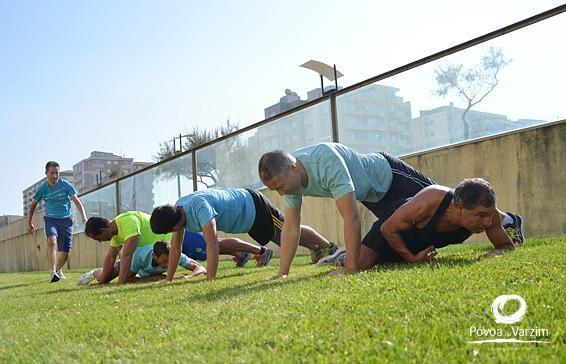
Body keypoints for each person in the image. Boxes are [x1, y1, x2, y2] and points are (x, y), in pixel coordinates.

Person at [258, 142, 523, 278]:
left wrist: (351, 268)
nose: (282, 193)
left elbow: (349, 217)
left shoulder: (325, 161)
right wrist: (283, 273)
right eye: (277, 190)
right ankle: (354, 255)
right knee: (392, 236)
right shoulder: (289, 186)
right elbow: (291, 228)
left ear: (293, 168)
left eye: (281, 186)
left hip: (391, 177)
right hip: (374, 196)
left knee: (452, 204)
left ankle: (508, 220)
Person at [328, 178, 523, 269]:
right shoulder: (431, 199)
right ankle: (342, 254)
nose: (487, 221)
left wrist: (493, 255)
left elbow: (506, 246)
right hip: (393, 229)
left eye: (489, 214)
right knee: (361, 264)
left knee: (388, 262)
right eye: (480, 216)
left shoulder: (489, 216)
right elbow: (388, 228)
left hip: (419, 242)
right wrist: (410, 258)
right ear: (459, 206)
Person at [150, 188, 336, 282]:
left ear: (175, 223)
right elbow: (176, 248)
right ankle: (316, 250)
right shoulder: (178, 212)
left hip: (253, 205)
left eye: (171, 230)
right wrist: (169, 280)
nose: (173, 234)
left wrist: (211, 279)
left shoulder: (199, 207)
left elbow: (213, 243)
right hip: (247, 219)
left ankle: (328, 246)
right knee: (281, 239)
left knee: (288, 229)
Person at [84, 210, 270, 284]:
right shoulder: (115, 235)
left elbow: (126, 256)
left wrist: (120, 283)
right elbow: (111, 258)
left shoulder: (127, 222)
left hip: (175, 236)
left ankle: (260, 251)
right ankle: (240, 254)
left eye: (97, 238)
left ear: (102, 230)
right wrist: (103, 281)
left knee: (214, 244)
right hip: (166, 247)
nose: (99, 242)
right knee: (210, 250)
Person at [27, 161, 87, 282]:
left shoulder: (65, 185)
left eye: (57, 173)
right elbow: (33, 205)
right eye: (52, 173)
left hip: (66, 220)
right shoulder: (43, 188)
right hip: (51, 219)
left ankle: (58, 270)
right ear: (46, 173)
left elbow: (76, 201)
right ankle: (52, 271)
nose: (55, 176)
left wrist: (84, 217)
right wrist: (29, 223)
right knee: (52, 240)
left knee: (65, 253)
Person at [76, 240, 206, 285]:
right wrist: (158, 277)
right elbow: (126, 280)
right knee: (104, 279)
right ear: (154, 255)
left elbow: (201, 268)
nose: (169, 264)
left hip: (141, 273)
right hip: (128, 263)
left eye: (171, 260)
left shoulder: (175, 255)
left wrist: (187, 277)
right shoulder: (141, 256)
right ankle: (95, 272)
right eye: (165, 261)